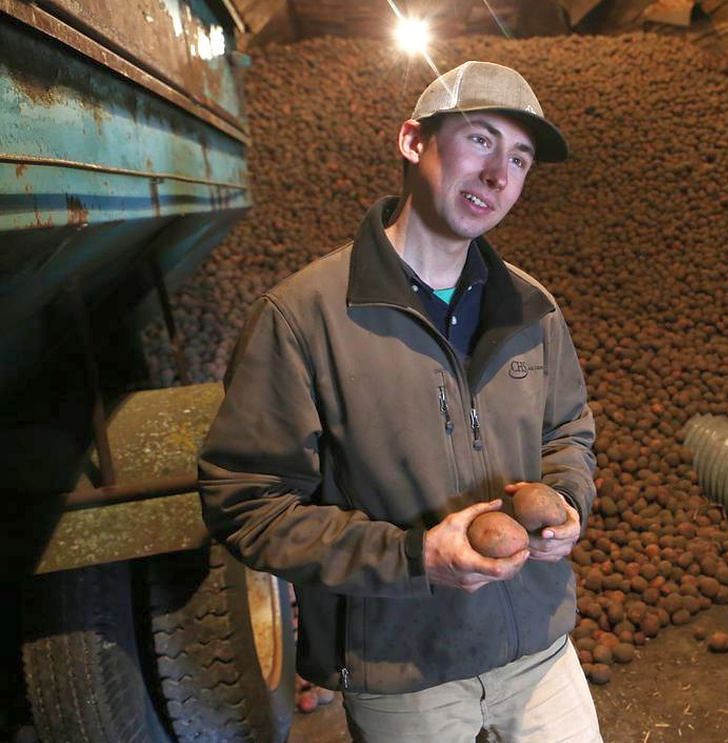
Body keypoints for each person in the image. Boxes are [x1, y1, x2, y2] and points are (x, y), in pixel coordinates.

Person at [199, 61, 601, 742]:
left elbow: (569, 431)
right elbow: (248, 502)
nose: (500, 175)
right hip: (402, 667)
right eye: (480, 140)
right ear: (413, 141)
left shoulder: (533, 308)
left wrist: (566, 498)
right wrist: (416, 556)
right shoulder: (303, 317)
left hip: (539, 646)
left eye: (521, 158)